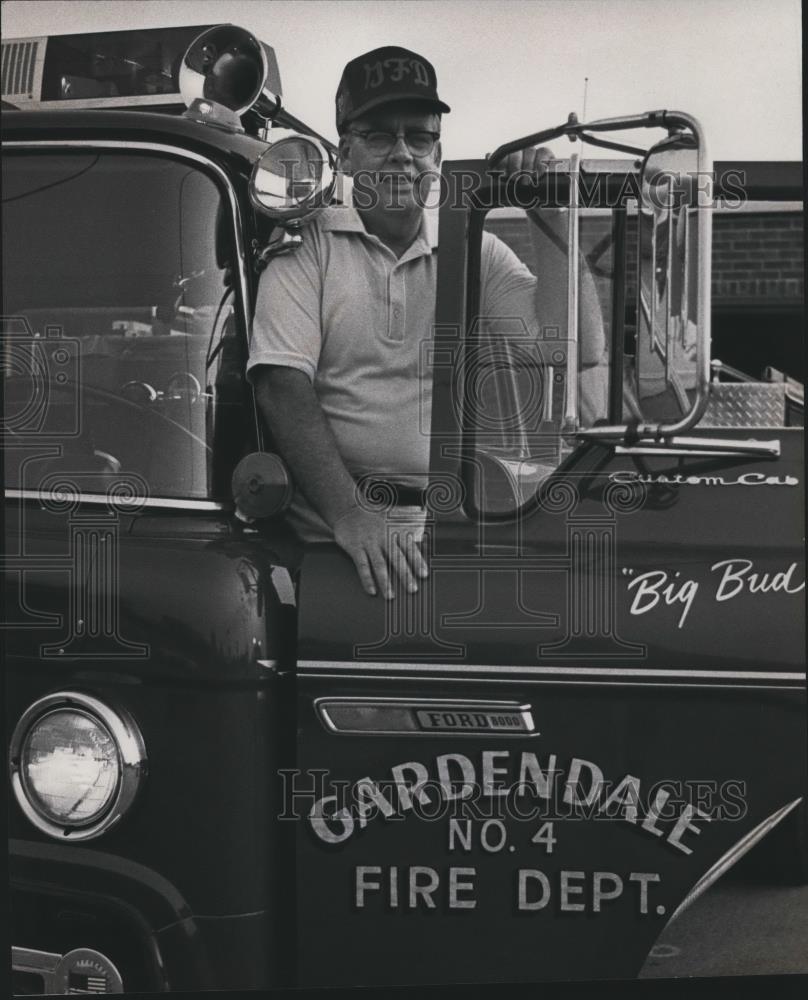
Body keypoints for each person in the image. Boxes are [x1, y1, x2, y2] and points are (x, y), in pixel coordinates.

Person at [247, 47, 565, 599]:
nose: (401, 155)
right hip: (331, 543)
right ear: (343, 154)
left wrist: (550, 215)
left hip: (447, 530)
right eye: (378, 136)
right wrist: (350, 515)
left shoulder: (475, 250)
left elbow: (562, 349)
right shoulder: (309, 243)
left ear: (437, 153)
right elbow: (280, 383)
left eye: (418, 138)